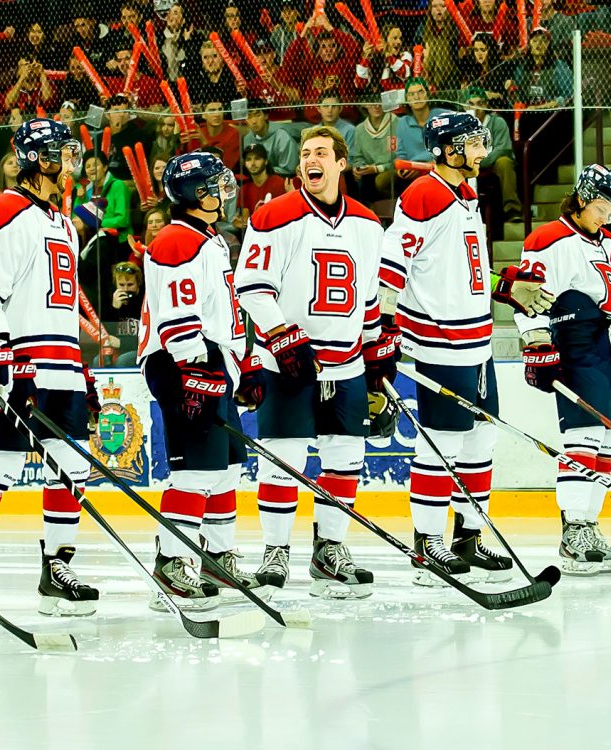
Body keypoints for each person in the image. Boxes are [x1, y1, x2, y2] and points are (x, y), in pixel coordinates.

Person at [0, 118, 101, 617]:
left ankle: (57, 567)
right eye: (62, 153)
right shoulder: (3, 211)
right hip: (23, 362)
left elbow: (62, 306)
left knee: (73, 468)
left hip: (63, 365)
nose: (70, 162)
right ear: (39, 159)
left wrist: (86, 374)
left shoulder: (61, 223)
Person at [235, 125, 389, 599]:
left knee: (346, 459)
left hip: (346, 367)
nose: (310, 159)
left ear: (342, 164)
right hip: (287, 364)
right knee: (284, 461)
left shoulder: (368, 224)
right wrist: (284, 339)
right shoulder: (273, 216)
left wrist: (377, 356)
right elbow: (251, 287)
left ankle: (330, 552)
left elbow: (369, 298)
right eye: (304, 153)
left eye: (321, 152)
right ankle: (276, 552)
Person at [379, 112, 514, 585]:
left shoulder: (466, 194)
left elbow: (458, 266)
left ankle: (467, 537)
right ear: (449, 149)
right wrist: (384, 327)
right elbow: (392, 263)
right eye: (474, 144)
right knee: (444, 445)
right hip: (442, 341)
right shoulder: (424, 193)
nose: (483, 151)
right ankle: (427, 543)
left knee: (482, 440)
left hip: (478, 342)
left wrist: (504, 285)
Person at [139, 151, 269, 609]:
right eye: (214, 185)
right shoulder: (177, 240)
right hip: (182, 363)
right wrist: (196, 366)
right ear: (194, 193)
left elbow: (221, 311)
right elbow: (177, 315)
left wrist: (242, 363)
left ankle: (216, 557)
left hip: (211, 361)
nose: (223, 193)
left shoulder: (209, 239)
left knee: (228, 465)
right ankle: (171, 565)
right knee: (196, 471)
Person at [514, 165, 611, 575]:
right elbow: (530, 296)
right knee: (582, 437)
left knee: (608, 440)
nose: (605, 216)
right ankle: (573, 529)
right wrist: (537, 342)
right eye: (599, 206)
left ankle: (590, 525)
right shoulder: (548, 238)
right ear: (580, 199)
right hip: (575, 341)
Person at [463, 87, 521, 223]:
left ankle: (512, 209)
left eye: (480, 103)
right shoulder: (461, 126)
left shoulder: (497, 122)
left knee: (504, 162)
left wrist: (481, 161)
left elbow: (502, 149)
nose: (476, 108)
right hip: (469, 164)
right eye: (471, 104)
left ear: (486, 105)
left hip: (492, 162)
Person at [394, 78, 450, 180]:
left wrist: (421, 166)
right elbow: (400, 154)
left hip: (438, 169)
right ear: (407, 100)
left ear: (427, 95)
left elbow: (448, 148)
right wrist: (402, 168)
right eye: (411, 94)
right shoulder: (403, 122)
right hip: (411, 170)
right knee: (383, 181)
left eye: (420, 92)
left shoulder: (443, 116)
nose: (416, 97)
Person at [234, 143, 289, 231]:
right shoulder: (245, 189)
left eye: (257, 158)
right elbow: (246, 218)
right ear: (244, 163)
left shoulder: (279, 183)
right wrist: (239, 222)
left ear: (266, 161)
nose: (253, 163)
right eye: (248, 159)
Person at [350, 99, 396, 200]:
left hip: (392, 171)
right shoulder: (359, 129)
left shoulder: (397, 123)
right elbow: (358, 157)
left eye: (380, 102)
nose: (376, 106)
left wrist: (377, 168)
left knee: (380, 180)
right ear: (365, 104)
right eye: (372, 102)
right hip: (369, 174)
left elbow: (401, 157)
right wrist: (359, 168)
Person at [242, 101, 299, 177]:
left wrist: (262, 170)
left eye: (257, 115)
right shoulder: (248, 139)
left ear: (266, 116)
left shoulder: (282, 136)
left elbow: (289, 170)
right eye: (249, 117)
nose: (254, 121)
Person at [183, 101, 241, 170]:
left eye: (220, 109)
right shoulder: (198, 132)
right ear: (203, 114)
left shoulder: (233, 134)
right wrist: (182, 145)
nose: (217, 114)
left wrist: (205, 143)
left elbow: (226, 166)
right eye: (212, 110)